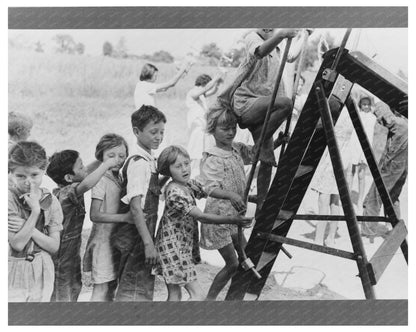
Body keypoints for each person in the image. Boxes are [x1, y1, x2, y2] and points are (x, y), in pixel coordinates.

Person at [213, 28, 301, 210]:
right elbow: (260, 51)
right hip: (246, 103)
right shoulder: (252, 38)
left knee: (267, 159)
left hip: (264, 109)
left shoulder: (277, 48)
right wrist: (281, 35)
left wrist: (305, 34)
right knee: (285, 104)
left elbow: (291, 55)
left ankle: (261, 204)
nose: (268, 28)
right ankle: (261, 140)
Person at [154, 145, 252, 301]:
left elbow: (208, 190)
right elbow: (202, 217)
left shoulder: (187, 185)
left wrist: (233, 195)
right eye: (178, 166)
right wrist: (234, 220)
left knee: (175, 294)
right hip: (174, 250)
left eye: (186, 163)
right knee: (198, 296)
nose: (185, 169)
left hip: (173, 247)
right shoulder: (175, 192)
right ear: (168, 170)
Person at [197, 107, 256, 300]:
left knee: (246, 256)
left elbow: (255, 154)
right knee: (233, 263)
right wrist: (231, 195)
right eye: (225, 129)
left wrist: (278, 142)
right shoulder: (213, 157)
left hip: (233, 218)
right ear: (213, 130)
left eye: (233, 128)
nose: (230, 132)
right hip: (219, 218)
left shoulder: (237, 149)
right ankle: (210, 300)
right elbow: (209, 188)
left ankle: (234, 297)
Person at [46, 148, 119, 302]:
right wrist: (106, 165)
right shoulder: (66, 193)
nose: (84, 168)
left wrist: (100, 159)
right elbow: (87, 184)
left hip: (71, 254)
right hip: (61, 257)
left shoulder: (71, 184)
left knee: (74, 287)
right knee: (62, 294)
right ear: (68, 177)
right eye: (80, 167)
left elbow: (87, 173)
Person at [113, 105, 166, 301]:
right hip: (136, 236)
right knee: (132, 290)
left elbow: (148, 192)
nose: (158, 137)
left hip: (142, 233)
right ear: (136, 131)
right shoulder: (138, 163)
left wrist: (165, 177)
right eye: (153, 132)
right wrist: (148, 244)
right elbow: (136, 207)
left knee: (140, 286)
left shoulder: (149, 159)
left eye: (162, 132)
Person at [8, 141, 63, 302]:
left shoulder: (51, 201)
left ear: (43, 172)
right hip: (12, 266)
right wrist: (35, 213)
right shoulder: (8, 199)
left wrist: (29, 228)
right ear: (10, 173)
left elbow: (54, 246)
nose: (28, 182)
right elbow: (17, 244)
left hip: (42, 266)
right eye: (20, 176)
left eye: (34, 175)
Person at [82, 134, 133, 302]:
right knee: (101, 288)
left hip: (116, 241)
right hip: (103, 242)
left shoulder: (119, 177)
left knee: (112, 286)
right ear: (101, 157)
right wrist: (125, 217)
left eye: (121, 156)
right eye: (111, 156)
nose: (117, 160)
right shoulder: (101, 179)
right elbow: (94, 215)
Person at [361, 102, 408, 239]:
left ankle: (367, 232)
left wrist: (380, 104)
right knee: (392, 197)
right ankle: (394, 230)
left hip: (392, 165)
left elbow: (386, 118)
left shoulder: (401, 124)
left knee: (374, 196)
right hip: (403, 167)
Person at [310, 108, 355, 246]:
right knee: (334, 202)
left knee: (324, 200)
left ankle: (318, 238)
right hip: (344, 160)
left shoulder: (336, 111)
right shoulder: (351, 113)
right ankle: (331, 237)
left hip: (332, 159)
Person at [186, 73, 223, 177]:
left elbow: (212, 90)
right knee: (195, 153)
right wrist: (215, 78)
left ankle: (199, 176)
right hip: (196, 128)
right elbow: (207, 88)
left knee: (202, 153)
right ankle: (192, 176)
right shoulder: (193, 92)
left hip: (202, 129)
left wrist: (219, 81)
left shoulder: (201, 94)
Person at [346, 95, 377, 214]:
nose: (366, 106)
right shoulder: (357, 115)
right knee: (350, 173)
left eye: (368, 104)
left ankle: (359, 201)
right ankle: (347, 201)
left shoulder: (372, 118)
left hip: (364, 147)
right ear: (360, 105)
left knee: (361, 175)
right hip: (354, 145)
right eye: (363, 104)